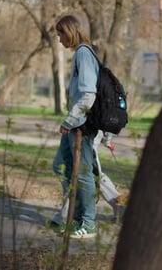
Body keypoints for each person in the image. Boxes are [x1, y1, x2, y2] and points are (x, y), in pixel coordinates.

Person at [54, 14, 99, 239]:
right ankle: (73, 216)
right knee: (64, 167)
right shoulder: (81, 54)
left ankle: (88, 224)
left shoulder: (83, 53)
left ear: (69, 31)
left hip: (81, 125)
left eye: (60, 33)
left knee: (83, 174)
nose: (59, 39)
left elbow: (88, 95)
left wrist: (69, 121)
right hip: (75, 123)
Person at [50, 130, 121, 227]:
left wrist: (107, 139)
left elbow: (106, 115)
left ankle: (67, 215)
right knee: (61, 167)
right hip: (72, 128)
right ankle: (119, 204)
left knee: (88, 173)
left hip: (88, 130)